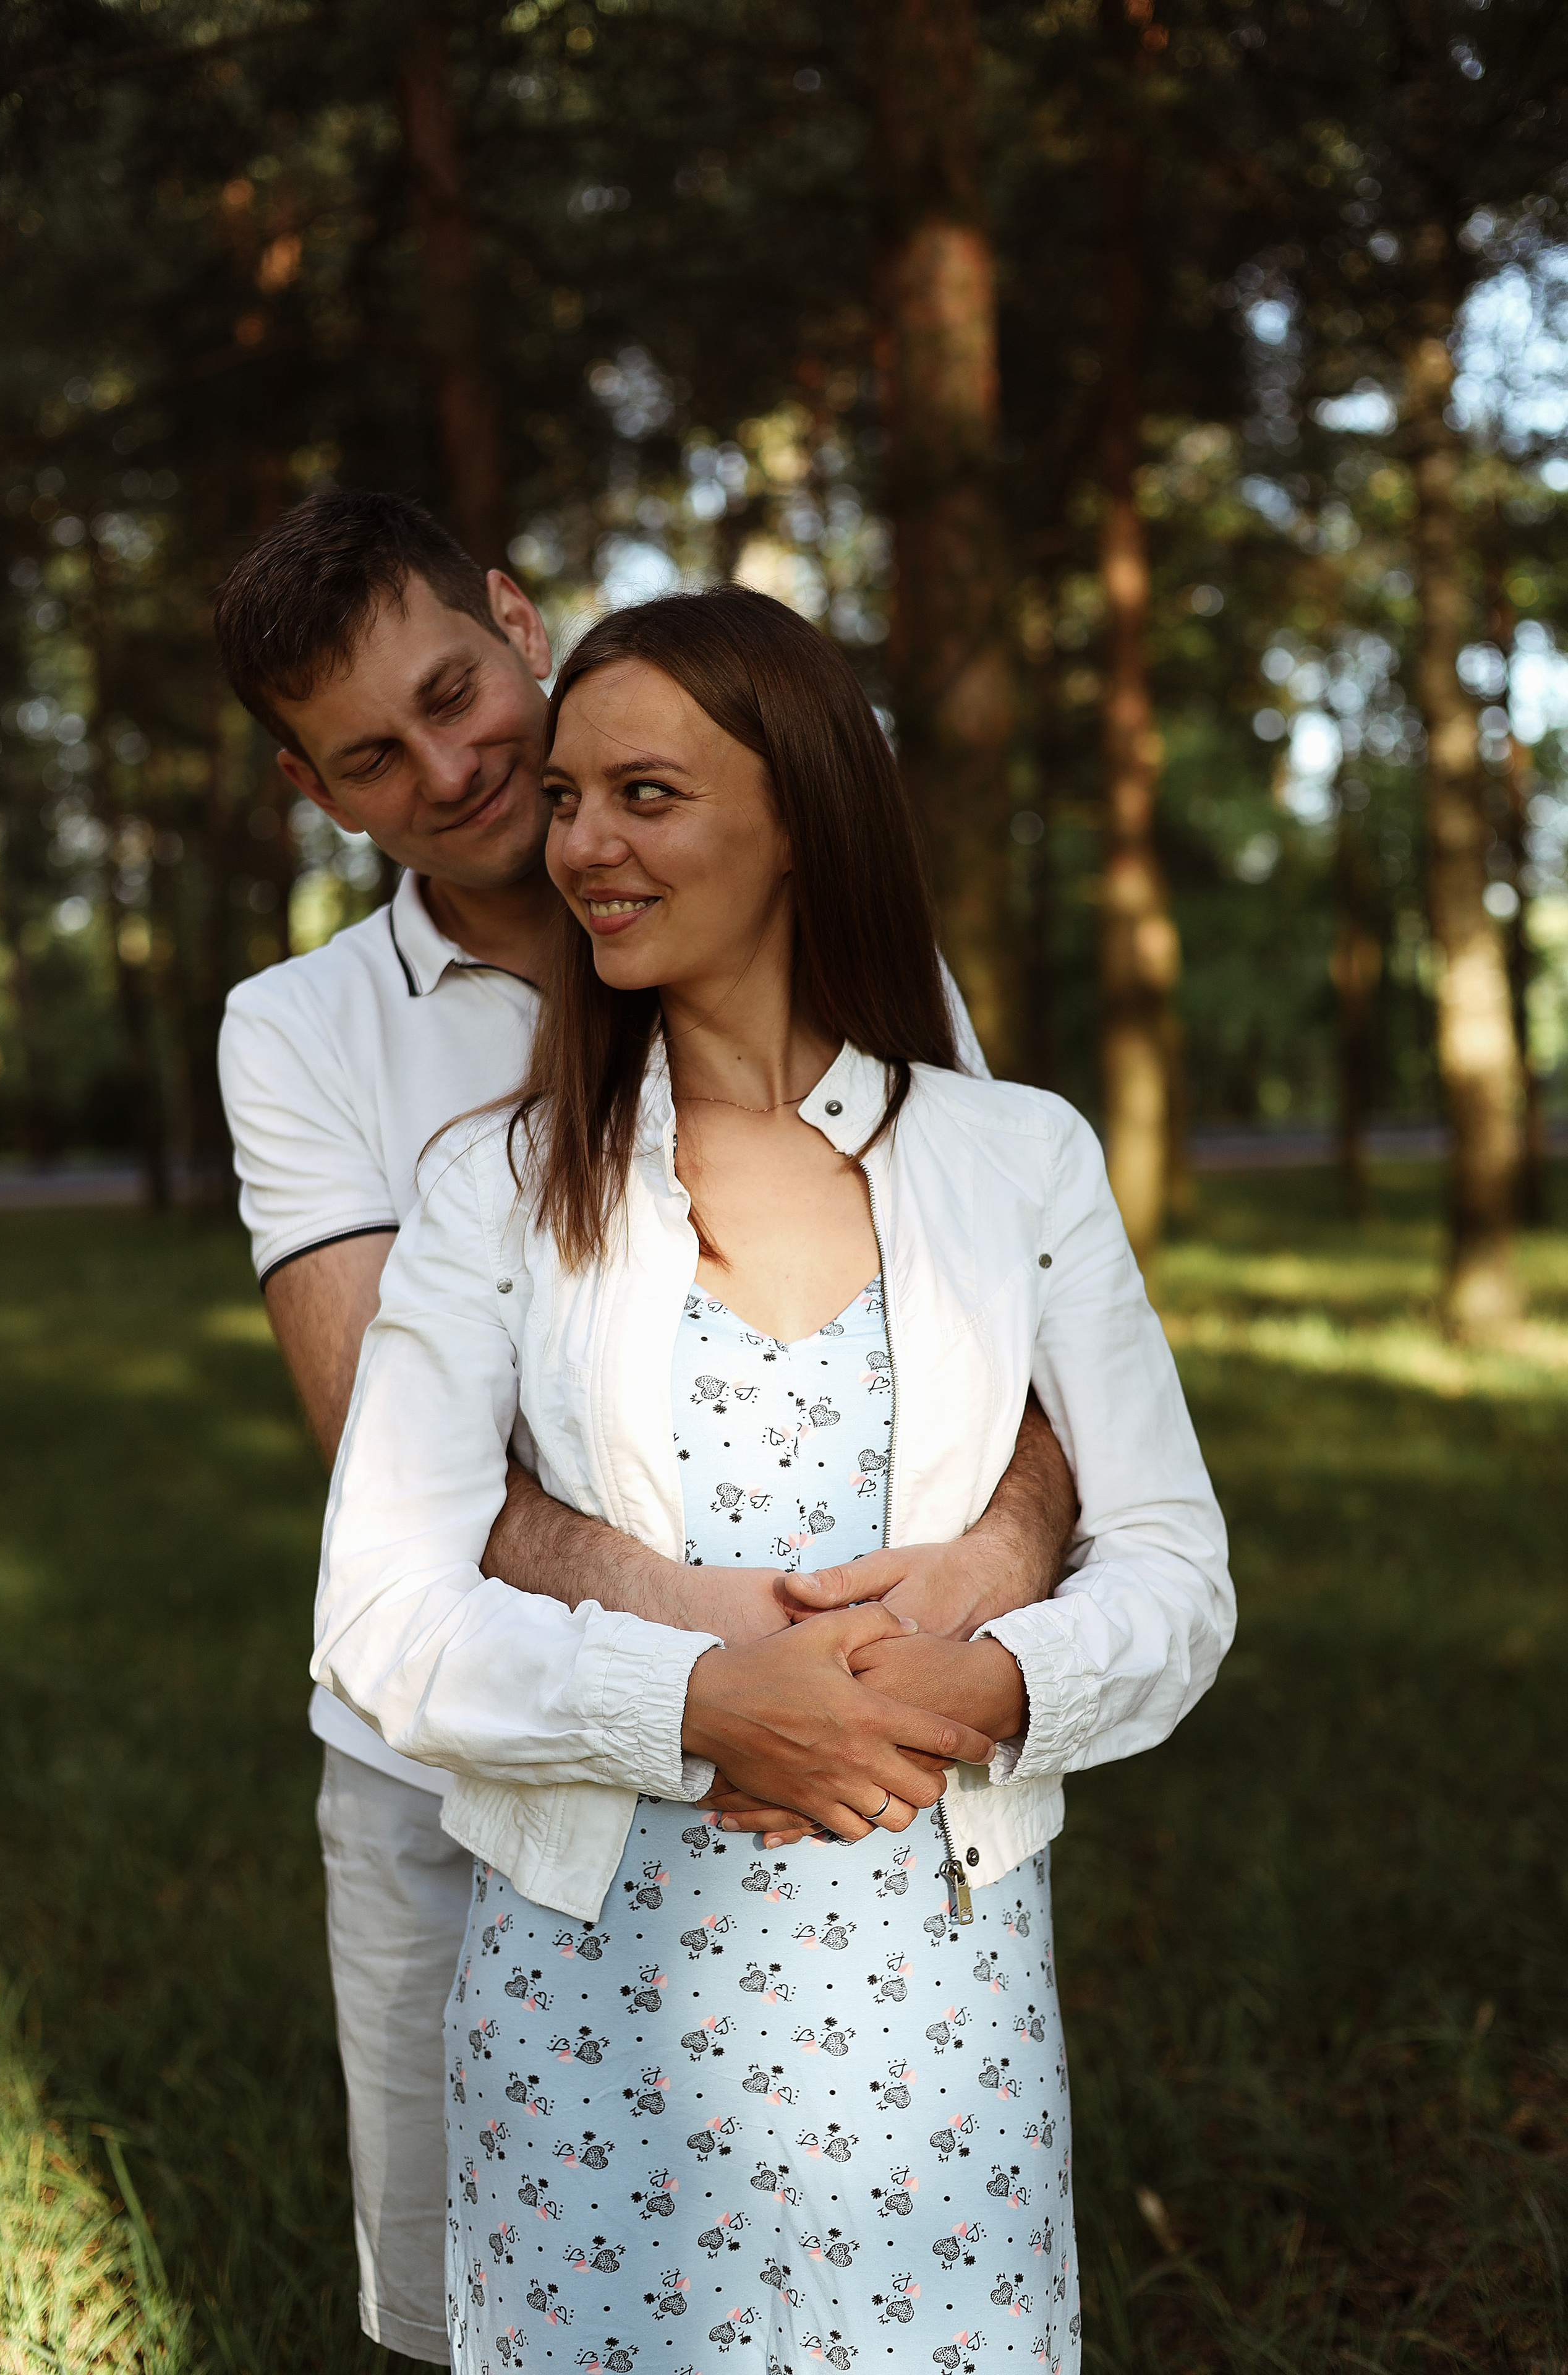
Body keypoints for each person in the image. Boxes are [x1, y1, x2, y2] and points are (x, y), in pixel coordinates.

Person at [312, 584, 1235, 2373]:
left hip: (934, 2019)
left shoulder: (1015, 1157)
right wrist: (705, 1703)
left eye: (645, 795)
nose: (583, 843)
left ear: (804, 809)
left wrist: (1000, 1684)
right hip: (598, 2030)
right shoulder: (495, 1188)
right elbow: (382, 1620)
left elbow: (1176, 1564)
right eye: (569, 797)